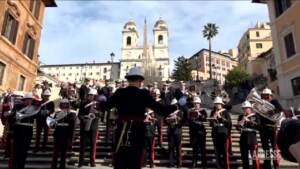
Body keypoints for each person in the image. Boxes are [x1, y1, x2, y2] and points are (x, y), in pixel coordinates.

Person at [104, 67, 177, 169]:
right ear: (140, 81)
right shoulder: (143, 94)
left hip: (122, 131)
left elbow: (104, 107)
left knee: (120, 161)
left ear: (128, 80)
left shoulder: (120, 92)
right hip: (137, 131)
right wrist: (176, 106)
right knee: (135, 162)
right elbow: (162, 110)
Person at [8, 93, 41, 169]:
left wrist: (39, 107)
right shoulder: (17, 106)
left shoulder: (34, 108)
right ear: (24, 100)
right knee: (15, 152)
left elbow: (38, 117)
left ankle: (21, 166)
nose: (29, 101)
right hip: (18, 131)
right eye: (27, 99)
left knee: (24, 152)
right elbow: (11, 119)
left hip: (28, 132)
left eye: (30, 100)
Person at [259, 88, 282, 169]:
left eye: (266, 95)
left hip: (272, 127)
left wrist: (269, 112)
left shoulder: (274, 102)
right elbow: (259, 115)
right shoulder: (261, 103)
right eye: (264, 95)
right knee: (265, 147)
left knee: (274, 147)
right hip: (263, 128)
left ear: (269, 95)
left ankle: (276, 164)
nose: (265, 96)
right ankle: (267, 163)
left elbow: (280, 108)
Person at [50, 99, 76, 169]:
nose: (64, 105)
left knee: (64, 153)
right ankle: (53, 166)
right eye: (63, 104)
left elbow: (72, 126)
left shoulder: (71, 113)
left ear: (68, 105)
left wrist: (71, 138)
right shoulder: (57, 113)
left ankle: (62, 166)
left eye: (66, 104)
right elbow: (52, 124)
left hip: (66, 134)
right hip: (58, 133)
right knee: (55, 152)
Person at [78, 88, 101, 167]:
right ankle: (81, 162)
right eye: (90, 95)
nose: (91, 96)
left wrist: (97, 112)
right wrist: (84, 119)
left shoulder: (98, 104)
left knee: (92, 144)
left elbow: (101, 115)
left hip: (93, 126)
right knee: (83, 145)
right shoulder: (83, 103)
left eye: (92, 95)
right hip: (85, 125)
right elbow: (79, 115)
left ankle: (92, 161)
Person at [237, 101, 260, 169]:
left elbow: (258, 125)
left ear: (250, 108)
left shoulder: (255, 116)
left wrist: (249, 121)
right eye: (244, 108)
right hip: (243, 138)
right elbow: (238, 128)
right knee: (244, 157)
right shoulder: (241, 116)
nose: (245, 110)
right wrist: (239, 125)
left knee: (254, 157)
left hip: (252, 138)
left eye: (246, 108)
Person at [209, 96, 231, 169]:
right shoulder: (213, 112)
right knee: (216, 151)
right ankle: (218, 166)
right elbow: (210, 124)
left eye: (218, 104)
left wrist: (221, 118)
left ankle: (225, 166)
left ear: (221, 104)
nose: (217, 105)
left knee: (224, 151)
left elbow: (229, 123)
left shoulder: (225, 112)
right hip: (215, 133)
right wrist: (213, 119)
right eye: (216, 104)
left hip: (223, 133)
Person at [187, 96, 207, 168]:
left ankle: (204, 163)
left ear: (200, 104)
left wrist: (200, 115)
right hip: (193, 132)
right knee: (194, 149)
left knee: (202, 149)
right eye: (195, 103)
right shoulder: (190, 111)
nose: (196, 105)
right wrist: (191, 118)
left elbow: (205, 119)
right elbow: (187, 121)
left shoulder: (203, 111)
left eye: (197, 103)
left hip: (201, 132)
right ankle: (194, 163)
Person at [165, 99, 183, 168]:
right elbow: (165, 121)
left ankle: (179, 164)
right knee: (171, 148)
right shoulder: (169, 113)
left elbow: (182, 122)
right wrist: (168, 119)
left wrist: (177, 118)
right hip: (170, 132)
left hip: (177, 132)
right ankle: (171, 163)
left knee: (178, 149)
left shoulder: (180, 112)